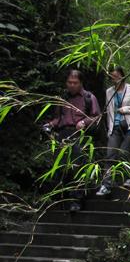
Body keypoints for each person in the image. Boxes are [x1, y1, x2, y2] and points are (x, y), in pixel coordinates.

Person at [43, 69, 100, 211]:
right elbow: (58, 118)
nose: (72, 85)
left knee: (78, 167)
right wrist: (50, 125)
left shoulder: (89, 97)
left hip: (80, 135)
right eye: (69, 82)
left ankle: (77, 200)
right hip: (63, 134)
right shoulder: (63, 98)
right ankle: (58, 199)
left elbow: (96, 116)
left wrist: (84, 123)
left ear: (81, 83)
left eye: (75, 83)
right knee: (60, 168)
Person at [97, 66, 130, 196]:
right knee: (110, 154)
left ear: (122, 75)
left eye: (117, 75)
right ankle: (106, 185)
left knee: (123, 154)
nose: (115, 78)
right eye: (112, 76)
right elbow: (109, 112)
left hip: (129, 126)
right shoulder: (109, 92)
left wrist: (127, 109)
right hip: (115, 127)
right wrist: (109, 129)